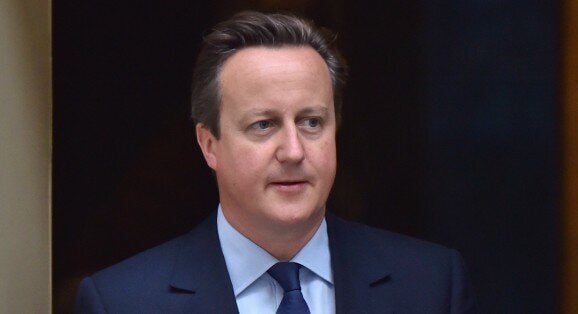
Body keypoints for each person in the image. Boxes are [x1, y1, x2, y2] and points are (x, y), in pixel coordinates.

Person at [74, 11, 478, 314]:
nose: (293, 150)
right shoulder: (123, 302)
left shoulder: (430, 285)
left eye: (311, 122)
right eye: (263, 124)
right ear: (209, 144)